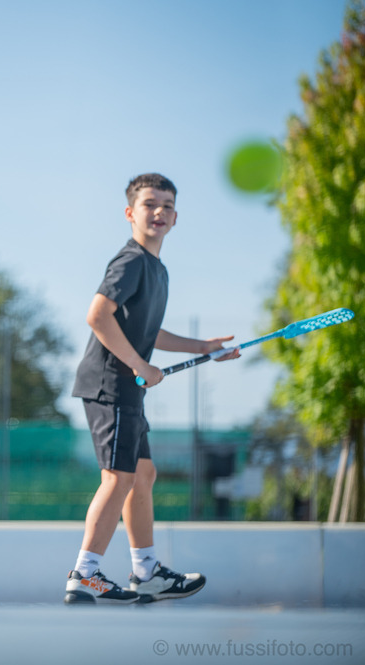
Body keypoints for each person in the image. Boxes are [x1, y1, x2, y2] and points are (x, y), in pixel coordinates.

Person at [64, 173, 240, 604]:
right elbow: (98, 315)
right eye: (149, 203)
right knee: (119, 477)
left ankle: (146, 572)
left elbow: (146, 330)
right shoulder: (130, 261)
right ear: (130, 213)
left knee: (142, 474)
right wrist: (140, 364)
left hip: (128, 388)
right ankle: (85, 574)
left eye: (167, 206)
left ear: (176, 218)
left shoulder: (156, 269)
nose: (159, 211)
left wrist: (203, 348)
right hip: (110, 384)